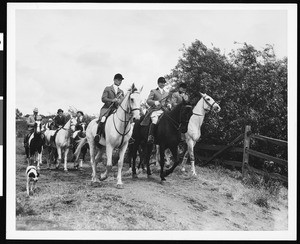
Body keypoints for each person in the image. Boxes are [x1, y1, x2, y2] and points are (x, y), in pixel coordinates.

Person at [94, 73, 125, 143]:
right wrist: (112, 100)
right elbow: (103, 99)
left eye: (121, 80)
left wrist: (119, 101)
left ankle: (125, 137)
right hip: (107, 108)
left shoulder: (121, 91)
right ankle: (98, 134)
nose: (120, 81)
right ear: (114, 80)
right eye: (118, 80)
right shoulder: (108, 88)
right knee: (103, 118)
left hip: (116, 109)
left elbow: (122, 102)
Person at [145, 77, 171, 144]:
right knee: (155, 120)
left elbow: (167, 101)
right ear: (158, 83)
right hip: (154, 110)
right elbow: (148, 101)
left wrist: (169, 104)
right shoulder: (153, 91)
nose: (163, 84)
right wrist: (154, 102)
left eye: (164, 83)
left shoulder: (166, 93)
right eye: (161, 83)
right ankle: (151, 136)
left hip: (163, 110)